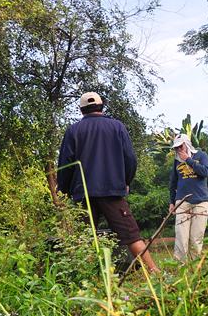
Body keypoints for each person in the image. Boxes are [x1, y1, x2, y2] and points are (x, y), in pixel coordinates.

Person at [56, 91, 158, 273]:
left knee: (85, 238)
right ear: (102, 106)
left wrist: (64, 190)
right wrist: (125, 182)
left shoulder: (73, 130)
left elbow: (65, 164)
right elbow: (130, 159)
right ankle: (154, 272)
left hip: (83, 194)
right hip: (112, 191)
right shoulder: (117, 127)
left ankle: (85, 277)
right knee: (131, 234)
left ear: (81, 110)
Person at [169, 133, 208, 262]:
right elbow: (173, 183)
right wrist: (171, 202)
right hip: (181, 202)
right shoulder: (176, 161)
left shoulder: (201, 155)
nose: (178, 150)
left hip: (201, 201)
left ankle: (195, 268)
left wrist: (188, 159)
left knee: (196, 237)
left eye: (180, 146)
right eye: (176, 148)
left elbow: (205, 172)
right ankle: (180, 267)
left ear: (187, 144)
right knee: (181, 236)